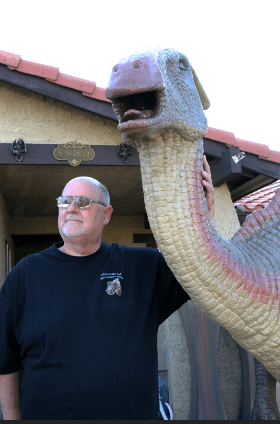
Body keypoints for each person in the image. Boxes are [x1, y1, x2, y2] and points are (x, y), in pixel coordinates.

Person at [0, 156, 214, 420]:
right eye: (65, 201)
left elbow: (198, 266)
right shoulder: (26, 274)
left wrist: (202, 216)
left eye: (83, 202)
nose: (71, 208)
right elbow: (5, 360)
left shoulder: (143, 267)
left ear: (107, 214)